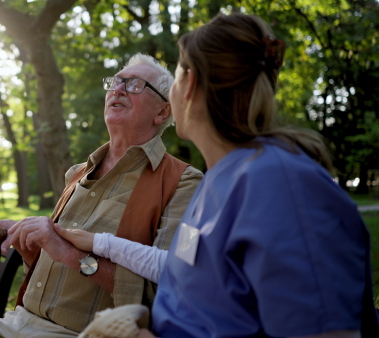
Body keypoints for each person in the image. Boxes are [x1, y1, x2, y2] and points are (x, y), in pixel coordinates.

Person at [56, 12, 379, 338]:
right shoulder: (220, 180)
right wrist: (99, 243)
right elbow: (184, 267)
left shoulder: (283, 188)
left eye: (176, 76)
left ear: (191, 83)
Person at [0, 53, 203, 337]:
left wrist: (69, 253)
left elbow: (166, 291)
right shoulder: (77, 173)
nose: (118, 89)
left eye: (135, 85)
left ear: (162, 111)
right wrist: (23, 237)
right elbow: (55, 269)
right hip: (13, 322)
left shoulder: (183, 182)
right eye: (115, 82)